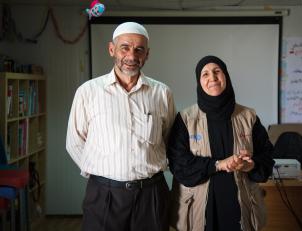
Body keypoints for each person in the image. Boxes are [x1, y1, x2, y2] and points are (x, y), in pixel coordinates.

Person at [66, 22, 176, 231]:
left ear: (147, 55)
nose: (132, 56)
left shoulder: (162, 93)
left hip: (151, 194)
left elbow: (169, 139)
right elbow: (74, 141)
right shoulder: (88, 92)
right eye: (125, 47)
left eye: (139, 50)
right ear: (111, 49)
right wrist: (102, 173)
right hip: (104, 195)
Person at [167, 55, 274, 231]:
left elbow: (267, 157)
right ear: (198, 81)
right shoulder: (185, 119)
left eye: (217, 71)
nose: (213, 78)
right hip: (199, 212)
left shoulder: (249, 117)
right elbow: (179, 165)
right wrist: (219, 164)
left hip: (241, 210)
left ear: (226, 76)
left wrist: (251, 165)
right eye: (205, 74)